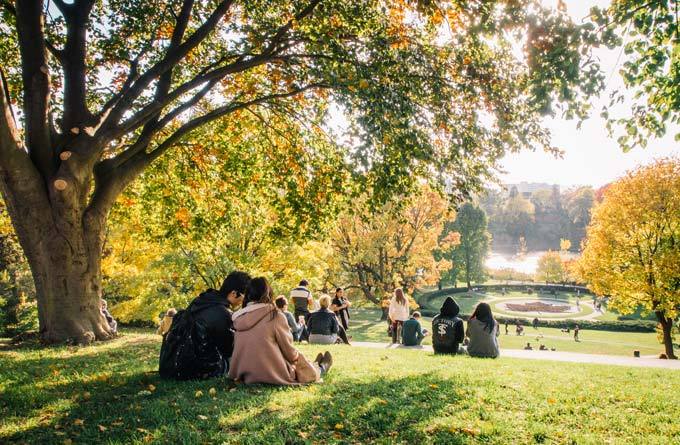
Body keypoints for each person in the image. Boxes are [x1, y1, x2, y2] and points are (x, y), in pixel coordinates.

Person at [229, 277, 332, 385]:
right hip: (271, 373)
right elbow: (290, 353)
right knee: (303, 367)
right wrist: (302, 361)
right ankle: (321, 367)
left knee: (298, 362)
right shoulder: (275, 316)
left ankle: (314, 364)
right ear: (268, 293)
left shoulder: (239, 318)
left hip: (244, 373)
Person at [189, 271, 251, 370]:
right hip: (202, 366)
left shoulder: (201, 301)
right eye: (245, 296)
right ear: (234, 293)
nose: (244, 300)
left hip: (183, 360)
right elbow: (229, 349)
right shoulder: (222, 313)